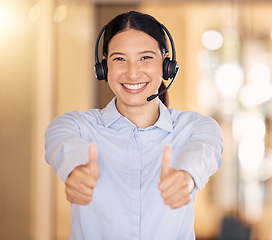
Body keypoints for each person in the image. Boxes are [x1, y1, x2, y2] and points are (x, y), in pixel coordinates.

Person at [45, 11, 223, 240]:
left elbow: (204, 152)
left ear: (167, 64)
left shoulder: (197, 127)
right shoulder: (74, 126)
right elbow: (62, 143)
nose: (133, 72)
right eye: (119, 58)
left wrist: (186, 179)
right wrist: (76, 172)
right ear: (103, 68)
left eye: (145, 57)